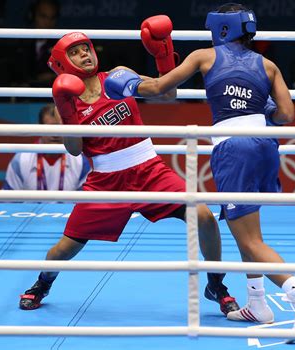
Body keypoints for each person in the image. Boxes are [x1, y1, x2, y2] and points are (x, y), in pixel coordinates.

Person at [104, 3, 295, 341]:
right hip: (265, 145)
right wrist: (257, 104)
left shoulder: (203, 56)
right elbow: (285, 115)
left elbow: (158, 89)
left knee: (250, 238)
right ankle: (257, 303)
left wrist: (126, 82)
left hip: (234, 149)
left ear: (220, 29)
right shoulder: (268, 66)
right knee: (245, 229)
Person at [19, 23, 239, 316]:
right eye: (75, 52)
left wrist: (164, 60)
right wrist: (68, 113)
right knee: (64, 249)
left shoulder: (116, 77)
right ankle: (43, 283)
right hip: (106, 182)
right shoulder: (66, 100)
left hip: (149, 170)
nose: (85, 54)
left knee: (204, 216)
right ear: (62, 64)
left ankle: (217, 285)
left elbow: (167, 95)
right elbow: (73, 149)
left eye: (86, 48)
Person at [3, 104, 90, 191]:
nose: (55, 135)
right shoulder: (20, 160)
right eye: (50, 129)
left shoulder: (81, 162)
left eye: (60, 129)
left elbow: (85, 202)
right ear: (39, 129)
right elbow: (7, 202)